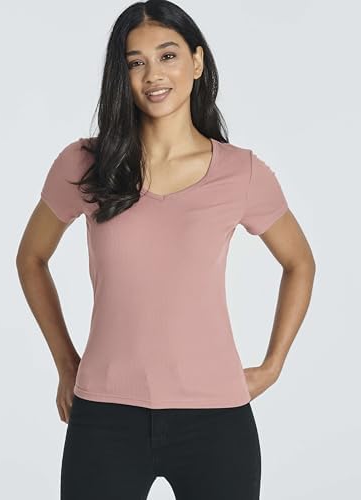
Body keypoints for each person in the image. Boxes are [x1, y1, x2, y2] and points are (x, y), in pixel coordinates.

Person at [16, 1, 316, 499]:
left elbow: (299, 262)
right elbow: (31, 258)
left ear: (197, 62)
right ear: (122, 76)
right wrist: (66, 363)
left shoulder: (242, 173)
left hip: (216, 420)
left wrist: (272, 365)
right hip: (105, 417)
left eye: (168, 55)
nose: (153, 74)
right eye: (136, 62)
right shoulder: (86, 163)